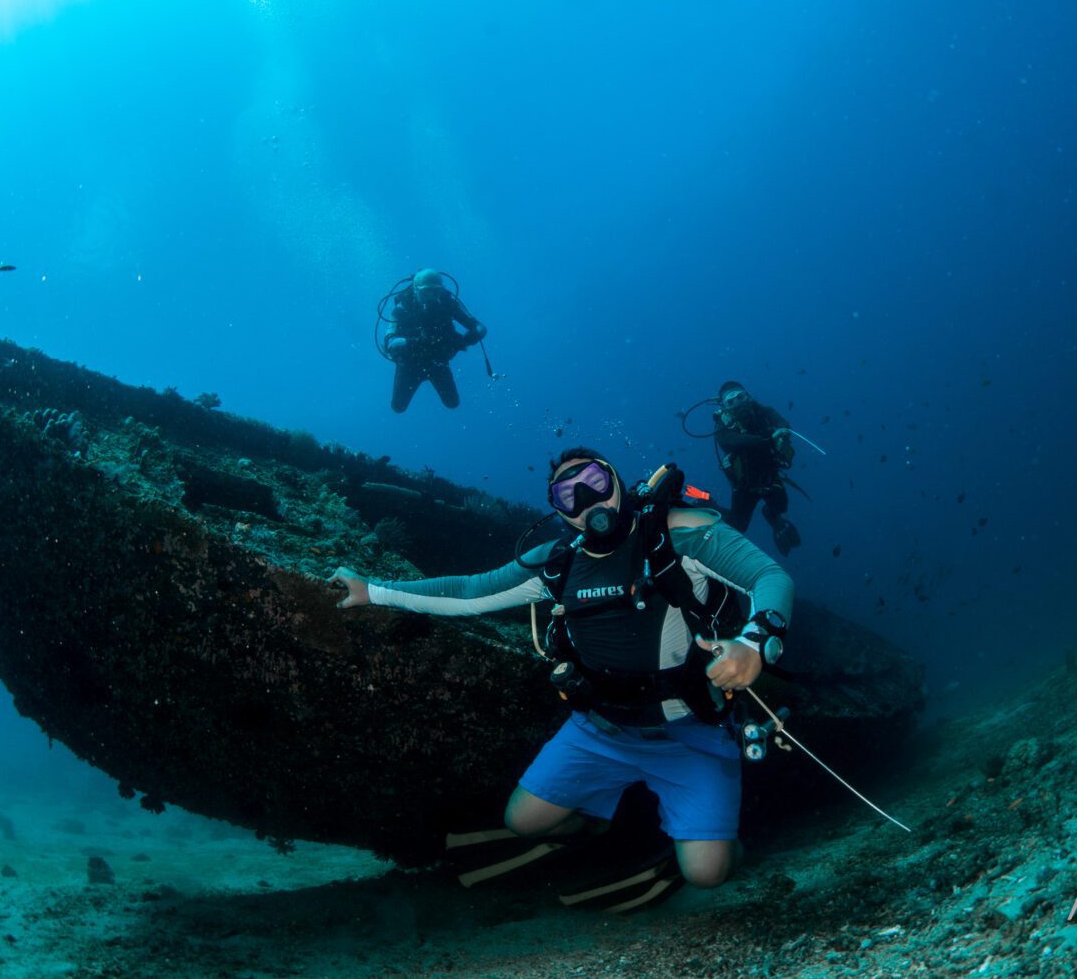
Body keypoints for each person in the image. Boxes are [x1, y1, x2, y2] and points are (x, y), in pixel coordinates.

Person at [328, 447, 793, 892]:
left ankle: (722, 843)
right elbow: (470, 592)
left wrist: (754, 643)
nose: (588, 500)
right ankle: (606, 824)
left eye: (594, 481)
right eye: (568, 495)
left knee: (707, 875)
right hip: (600, 729)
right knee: (521, 821)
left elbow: (769, 578)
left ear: (615, 479)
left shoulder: (679, 533)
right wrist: (373, 591)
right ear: (560, 511)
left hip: (692, 730)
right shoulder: (556, 562)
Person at [712, 381, 802, 556]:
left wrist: (783, 432)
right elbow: (731, 442)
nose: (738, 403)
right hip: (745, 486)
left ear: (748, 396)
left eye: (740, 397)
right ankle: (707, 503)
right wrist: (768, 440)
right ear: (724, 406)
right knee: (738, 525)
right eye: (730, 402)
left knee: (780, 507)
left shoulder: (763, 412)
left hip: (770, 476)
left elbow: (781, 421)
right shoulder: (723, 428)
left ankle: (773, 518)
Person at [380, 268, 487, 412]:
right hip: (410, 363)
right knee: (398, 407)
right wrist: (418, 342)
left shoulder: (448, 303)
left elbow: (479, 327)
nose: (431, 297)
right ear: (416, 291)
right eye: (426, 292)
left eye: (435, 292)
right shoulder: (403, 307)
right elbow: (390, 344)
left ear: (441, 290)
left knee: (452, 403)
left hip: (437, 361)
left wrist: (465, 340)